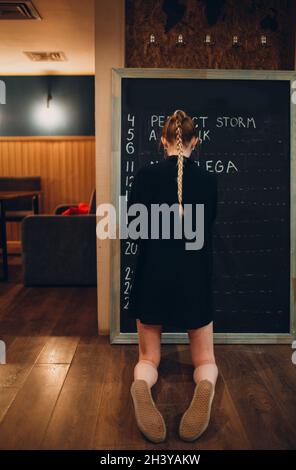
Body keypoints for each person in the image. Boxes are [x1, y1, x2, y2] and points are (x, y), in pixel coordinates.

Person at [127, 109, 219, 443]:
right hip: (194, 280)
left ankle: (141, 384)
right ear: (196, 141)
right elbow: (206, 232)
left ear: (162, 140)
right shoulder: (209, 181)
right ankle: (205, 384)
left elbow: (134, 232)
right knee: (205, 359)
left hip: (153, 277)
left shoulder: (143, 177)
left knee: (148, 358)